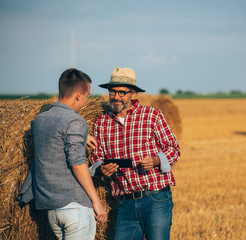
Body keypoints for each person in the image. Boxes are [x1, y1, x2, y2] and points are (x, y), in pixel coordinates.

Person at [91, 67, 180, 240]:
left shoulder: (152, 115)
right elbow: (97, 157)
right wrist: (102, 168)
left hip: (155, 198)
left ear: (133, 94)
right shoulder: (101, 123)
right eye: (112, 91)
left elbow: (174, 149)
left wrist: (155, 160)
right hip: (125, 203)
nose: (116, 96)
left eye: (121, 93)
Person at [18, 68, 108, 240]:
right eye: (87, 96)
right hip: (75, 208)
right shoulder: (75, 120)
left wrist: (82, 135)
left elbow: (55, 139)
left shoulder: (40, 120)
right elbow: (77, 163)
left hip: (51, 209)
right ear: (79, 95)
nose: (85, 101)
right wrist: (96, 201)